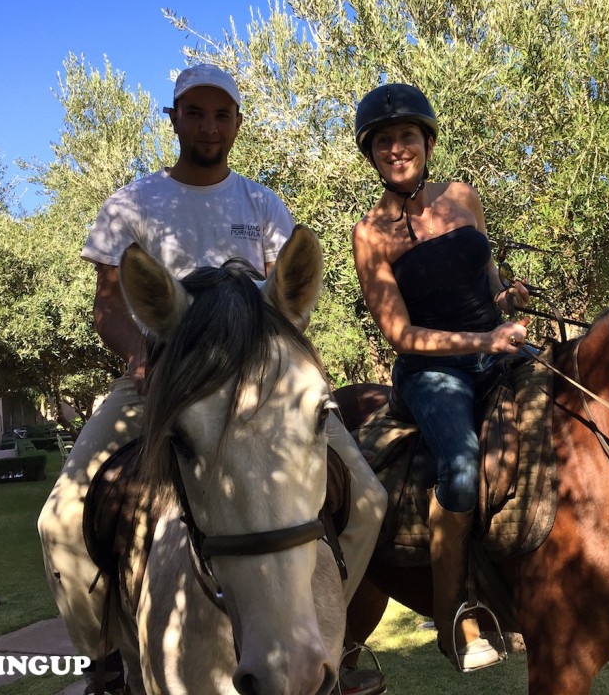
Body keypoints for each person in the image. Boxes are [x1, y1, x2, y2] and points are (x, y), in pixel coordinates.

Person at [37, 63, 387, 695]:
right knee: (59, 523)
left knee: (368, 501)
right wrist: (139, 359)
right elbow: (111, 305)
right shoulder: (133, 203)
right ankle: (107, 664)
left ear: (236, 124)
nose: (209, 126)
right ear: (174, 120)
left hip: (259, 386)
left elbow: (285, 297)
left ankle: (337, 645)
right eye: (194, 113)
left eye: (221, 114)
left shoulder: (262, 203)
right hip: (164, 380)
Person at [351, 83, 529, 672]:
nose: (396, 148)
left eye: (406, 136)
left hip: (496, 349)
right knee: (459, 464)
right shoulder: (370, 234)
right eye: (383, 141)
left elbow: (486, 279)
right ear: (371, 153)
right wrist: (484, 340)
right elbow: (400, 335)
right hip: (430, 370)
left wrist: (506, 295)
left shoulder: (462, 198)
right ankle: (454, 616)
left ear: (426, 141)